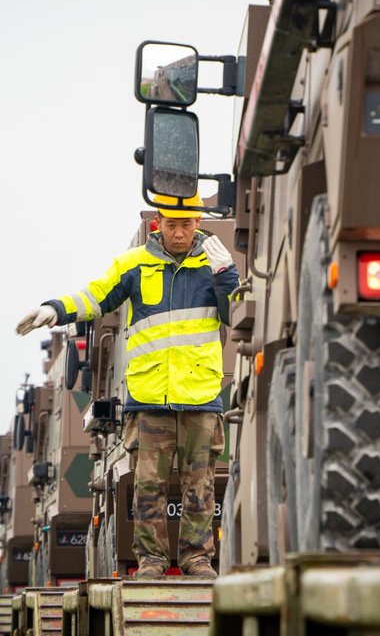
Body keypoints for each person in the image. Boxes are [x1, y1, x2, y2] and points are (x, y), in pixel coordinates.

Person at [15, 193, 238, 579]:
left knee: (200, 489)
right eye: (172, 225)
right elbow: (96, 297)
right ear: (159, 225)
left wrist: (227, 277)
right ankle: (151, 560)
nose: (180, 233)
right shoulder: (134, 265)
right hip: (150, 399)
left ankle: (197, 559)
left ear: (197, 224)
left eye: (186, 225)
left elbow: (235, 314)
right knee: (148, 486)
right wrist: (55, 309)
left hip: (201, 398)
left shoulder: (213, 266)